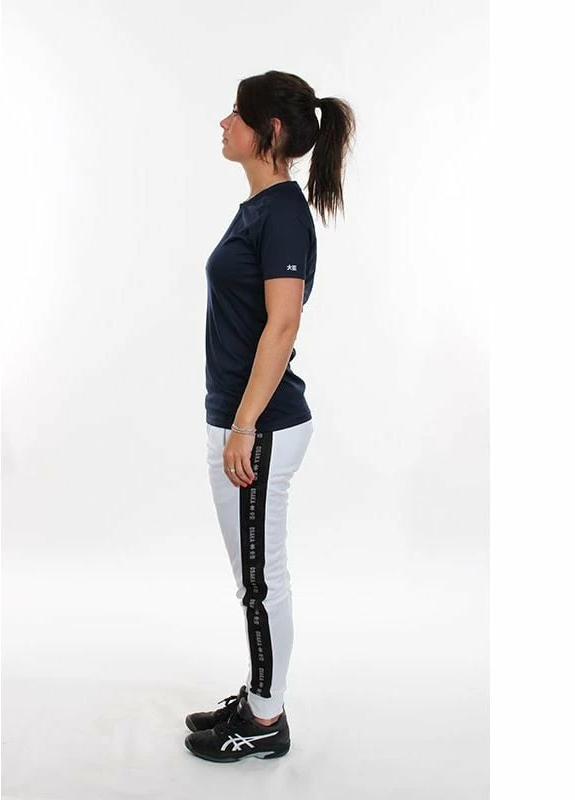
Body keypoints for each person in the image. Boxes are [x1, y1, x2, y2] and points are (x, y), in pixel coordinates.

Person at [184, 70, 356, 763]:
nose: (224, 123)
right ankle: (260, 696)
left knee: (260, 582)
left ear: (270, 131)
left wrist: (245, 425)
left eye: (236, 113)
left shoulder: (282, 212)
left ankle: (265, 721)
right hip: (243, 422)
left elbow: (282, 326)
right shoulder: (260, 208)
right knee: (251, 580)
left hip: (262, 427)